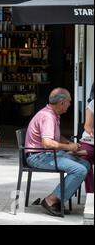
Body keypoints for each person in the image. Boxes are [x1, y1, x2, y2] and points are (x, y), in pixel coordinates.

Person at [25, 88, 90, 216]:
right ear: (61, 102)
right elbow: (47, 143)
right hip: (38, 156)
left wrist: (70, 145)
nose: (70, 104)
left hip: (46, 154)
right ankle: (51, 200)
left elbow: (56, 137)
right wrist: (68, 148)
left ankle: (58, 199)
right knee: (80, 170)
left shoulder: (53, 114)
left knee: (85, 165)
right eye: (69, 101)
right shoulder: (48, 116)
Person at [79, 95, 94, 193]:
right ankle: (91, 195)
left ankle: (74, 152)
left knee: (84, 153)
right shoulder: (93, 104)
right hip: (90, 140)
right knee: (85, 159)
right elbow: (87, 126)